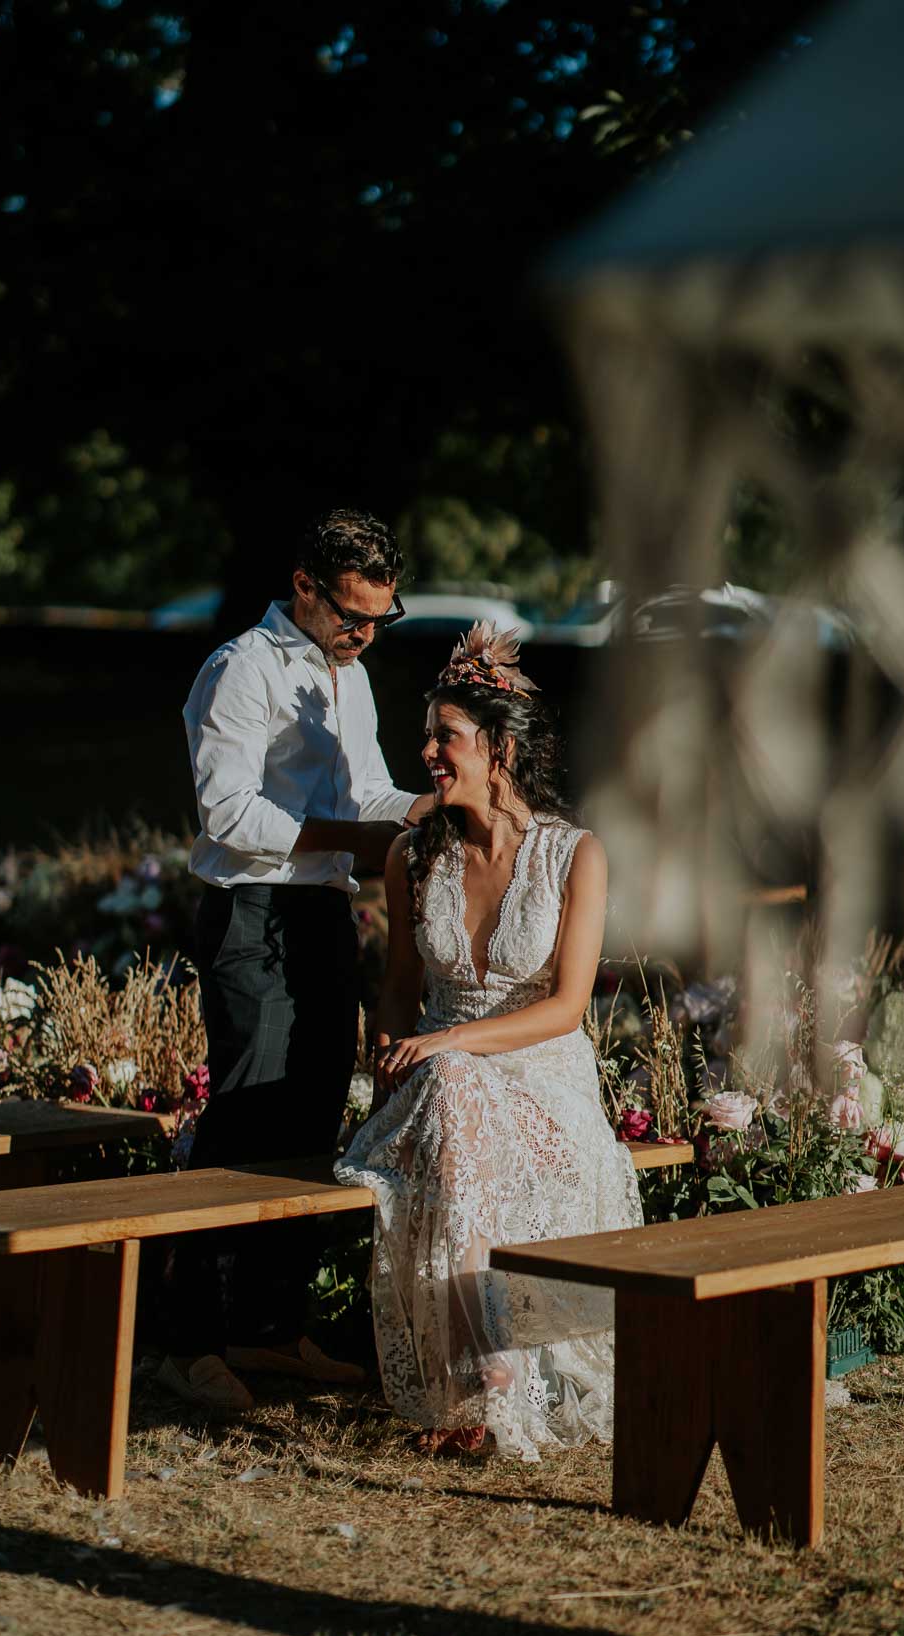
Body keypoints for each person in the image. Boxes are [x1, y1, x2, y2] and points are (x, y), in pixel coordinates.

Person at [335, 622, 643, 1458]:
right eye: (427, 734)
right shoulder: (411, 855)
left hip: (542, 1081)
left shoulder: (573, 855)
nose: (428, 750)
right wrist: (395, 1060)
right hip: (436, 1090)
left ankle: (479, 1366)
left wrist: (448, 1046)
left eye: (446, 736)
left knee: (459, 1082)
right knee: (452, 1094)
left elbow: (566, 1009)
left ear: (500, 748)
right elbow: (399, 987)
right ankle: (486, 1360)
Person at [158, 508, 433, 1413]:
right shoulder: (239, 669)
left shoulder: (347, 679)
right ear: (304, 587)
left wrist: (432, 813)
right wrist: (355, 839)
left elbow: (371, 791)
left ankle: (270, 1328)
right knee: (244, 1117)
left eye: (379, 619)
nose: (363, 634)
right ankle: (184, 1338)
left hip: (321, 913)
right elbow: (228, 815)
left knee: (313, 1113)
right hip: (249, 912)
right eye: (350, 614)